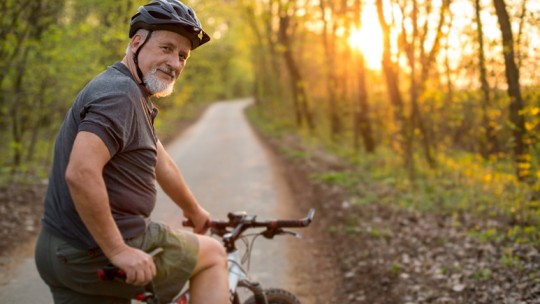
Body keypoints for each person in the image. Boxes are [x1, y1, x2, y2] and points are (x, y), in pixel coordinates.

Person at [35, 1, 229, 303]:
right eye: (166, 48)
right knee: (214, 255)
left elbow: (160, 161)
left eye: (182, 56)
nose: (175, 63)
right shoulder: (120, 95)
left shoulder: (127, 91)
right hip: (95, 252)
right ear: (137, 42)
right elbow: (80, 172)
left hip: (58, 251)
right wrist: (118, 250)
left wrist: (195, 212)